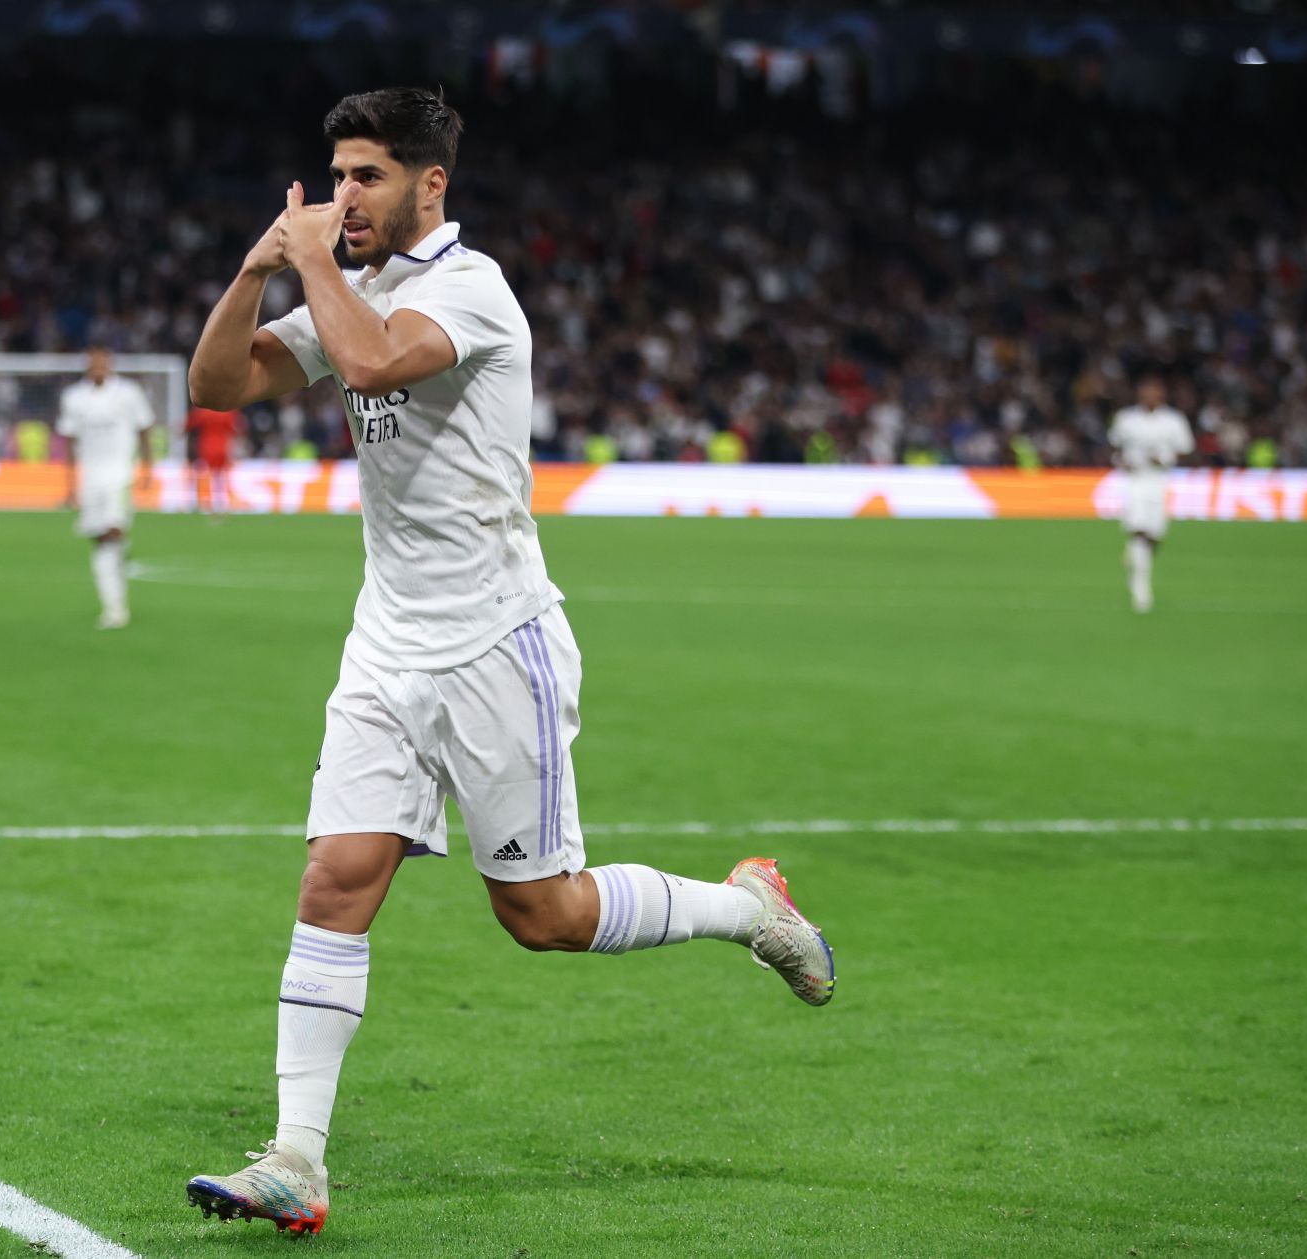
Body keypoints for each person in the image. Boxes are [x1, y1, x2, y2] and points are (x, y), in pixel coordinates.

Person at [181, 87, 836, 1237]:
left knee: (541, 913)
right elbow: (217, 386)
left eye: (368, 176)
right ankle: (295, 1156)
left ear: (431, 183)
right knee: (337, 877)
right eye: (335, 177)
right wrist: (253, 275)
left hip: (494, 642)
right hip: (386, 641)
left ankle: (747, 909)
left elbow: (376, 367)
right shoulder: (354, 287)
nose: (345, 199)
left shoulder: (468, 290)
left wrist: (314, 269)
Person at [56, 347, 155, 629]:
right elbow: (70, 443)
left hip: (120, 474)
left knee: (112, 531)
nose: (98, 367)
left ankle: (116, 610)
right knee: (101, 540)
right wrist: (70, 484)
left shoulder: (128, 393)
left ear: (110, 365)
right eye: (93, 363)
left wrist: (148, 467)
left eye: (103, 363)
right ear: (88, 366)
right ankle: (113, 593)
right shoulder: (74, 397)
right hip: (91, 478)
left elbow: (144, 429)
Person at [1108, 376, 1194, 613]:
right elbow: (1114, 447)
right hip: (1134, 480)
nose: (1149, 396)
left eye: (1153, 392)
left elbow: (1186, 450)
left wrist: (1165, 459)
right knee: (1139, 530)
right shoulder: (1126, 419)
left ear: (1161, 395)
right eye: (1145, 391)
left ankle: (1134, 559)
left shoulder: (1173, 421)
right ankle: (1141, 589)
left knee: (1154, 535)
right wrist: (1120, 461)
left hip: (1159, 480)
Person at [184, 403, 240, 515]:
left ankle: (195, 502)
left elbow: (189, 424)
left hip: (206, 448)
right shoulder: (228, 411)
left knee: (200, 475)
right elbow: (235, 429)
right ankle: (219, 505)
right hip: (222, 448)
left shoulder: (204, 410)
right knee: (219, 477)